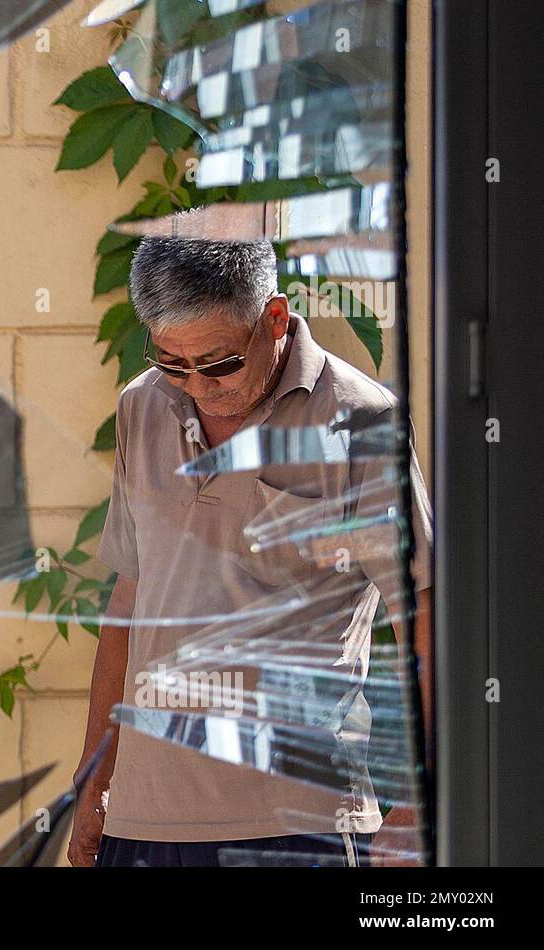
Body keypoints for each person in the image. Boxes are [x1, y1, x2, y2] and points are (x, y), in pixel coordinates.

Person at [68, 237, 433, 867]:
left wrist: (421, 801)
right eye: (172, 362)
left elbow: (425, 612)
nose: (197, 387)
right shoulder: (142, 405)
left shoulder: (361, 422)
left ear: (275, 319)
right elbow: (131, 599)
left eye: (219, 364)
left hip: (297, 823)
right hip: (142, 822)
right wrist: (96, 778)